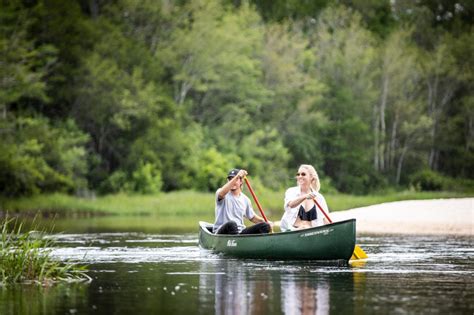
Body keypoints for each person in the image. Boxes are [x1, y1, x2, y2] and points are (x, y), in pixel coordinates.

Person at [213, 168, 271, 235]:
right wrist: (237, 176)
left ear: (241, 182)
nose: (233, 181)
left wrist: (266, 222)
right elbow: (221, 194)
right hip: (222, 232)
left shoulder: (245, 199)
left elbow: (252, 217)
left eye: (235, 179)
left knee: (265, 226)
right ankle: (238, 242)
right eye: (230, 179)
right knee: (232, 224)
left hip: (240, 233)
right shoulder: (221, 193)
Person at [280, 164, 330, 231]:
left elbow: (326, 219)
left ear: (311, 177)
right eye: (298, 174)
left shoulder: (319, 197)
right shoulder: (291, 191)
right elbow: (291, 204)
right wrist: (305, 196)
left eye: (303, 174)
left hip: (311, 232)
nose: (300, 176)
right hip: (293, 231)